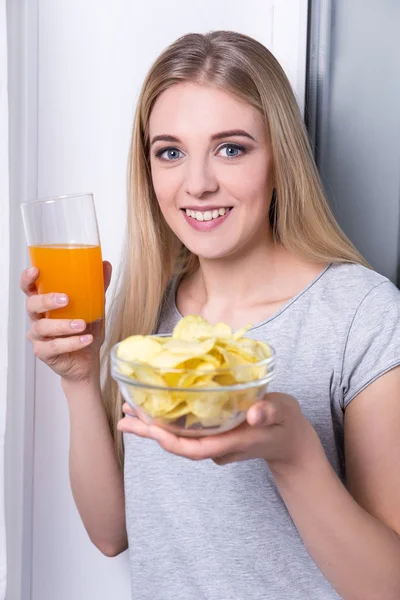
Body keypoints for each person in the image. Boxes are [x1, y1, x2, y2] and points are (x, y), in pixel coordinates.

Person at [21, 31, 400, 600]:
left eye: (231, 148)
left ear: (280, 159)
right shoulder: (149, 309)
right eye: (170, 152)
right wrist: (80, 378)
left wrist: (293, 453)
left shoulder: (362, 315)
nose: (197, 184)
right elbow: (110, 534)